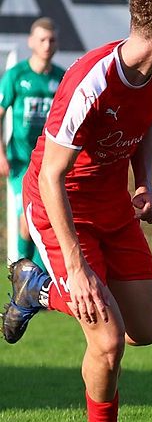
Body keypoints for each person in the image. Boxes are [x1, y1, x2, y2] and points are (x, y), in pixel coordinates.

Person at [0, 0, 152, 422]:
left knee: (143, 330)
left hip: (114, 206)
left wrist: (144, 185)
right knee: (108, 341)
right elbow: (50, 176)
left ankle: (37, 291)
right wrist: (77, 265)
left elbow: (145, 121)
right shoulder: (90, 81)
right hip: (59, 208)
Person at [0, 17, 65, 267]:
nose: (47, 45)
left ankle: (37, 282)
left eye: (52, 40)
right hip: (21, 162)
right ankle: (22, 272)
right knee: (26, 221)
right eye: (42, 40)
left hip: (50, 164)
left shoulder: (61, 78)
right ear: (31, 42)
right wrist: (1, 153)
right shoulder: (17, 76)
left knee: (47, 218)